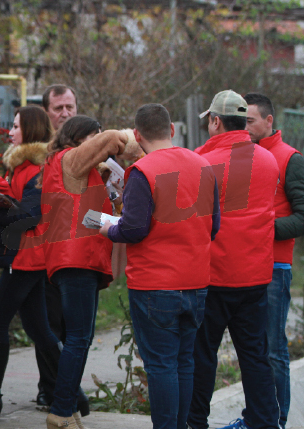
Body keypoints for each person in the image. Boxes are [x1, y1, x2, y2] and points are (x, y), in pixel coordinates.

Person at [100, 104, 220, 429]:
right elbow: (214, 226)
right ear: (171, 130)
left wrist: (108, 228)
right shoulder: (204, 165)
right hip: (196, 282)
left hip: (155, 285)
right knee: (184, 362)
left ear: (137, 136)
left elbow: (134, 229)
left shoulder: (142, 171)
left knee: (161, 366)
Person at [188, 90, 281, 429]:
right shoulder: (268, 160)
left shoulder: (202, 162)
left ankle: (195, 421)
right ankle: (265, 421)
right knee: (255, 356)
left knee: (202, 354)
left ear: (215, 121)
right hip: (255, 275)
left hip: (212, 275)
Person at [40, 115, 139, 428]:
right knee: (79, 338)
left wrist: (115, 207)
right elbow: (111, 138)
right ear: (77, 138)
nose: (100, 148)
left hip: (79, 257)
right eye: (92, 137)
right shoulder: (69, 159)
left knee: (79, 337)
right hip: (76, 259)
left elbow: (83, 218)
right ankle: (61, 411)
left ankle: (65, 410)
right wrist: (138, 143)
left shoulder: (79, 172)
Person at [0, 106, 62, 420]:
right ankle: (71, 392)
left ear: (31, 131)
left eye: (17, 127)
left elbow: (31, 215)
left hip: (27, 255)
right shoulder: (22, 167)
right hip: (23, 253)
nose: (10, 132)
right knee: (39, 329)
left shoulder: (37, 169)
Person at [243, 93, 304, 428]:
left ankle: (278, 421)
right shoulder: (243, 157)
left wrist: (263, 229)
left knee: (273, 351)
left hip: (275, 268)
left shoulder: (290, 158)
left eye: (250, 121)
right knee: (251, 352)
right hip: (242, 268)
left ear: (269, 121)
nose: (245, 128)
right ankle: (257, 418)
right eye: (241, 121)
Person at [34, 83, 78, 408]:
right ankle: (51, 387)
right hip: (41, 250)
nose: (65, 113)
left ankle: (65, 387)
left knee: (71, 327)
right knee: (47, 323)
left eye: (69, 107)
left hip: (76, 249)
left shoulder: (87, 145)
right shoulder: (38, 150)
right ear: (47, 112)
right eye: (58, 108)